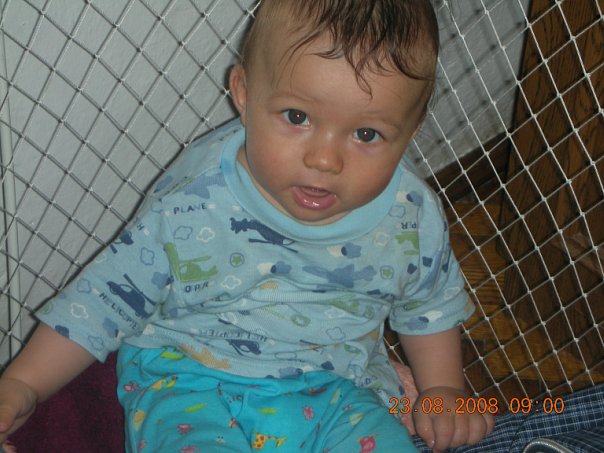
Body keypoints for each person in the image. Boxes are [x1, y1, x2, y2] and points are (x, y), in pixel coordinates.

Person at [0, 1, 495, 451]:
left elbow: (427, 306)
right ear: (243, 93)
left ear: (411, 129)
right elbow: (105, 298)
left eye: (367, 134)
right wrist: (23, 383)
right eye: (297, 116)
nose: (324, 159)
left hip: (340, 388)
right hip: (190, 378)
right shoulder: (193, 201)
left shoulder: (410, 214)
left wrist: (443, 390)